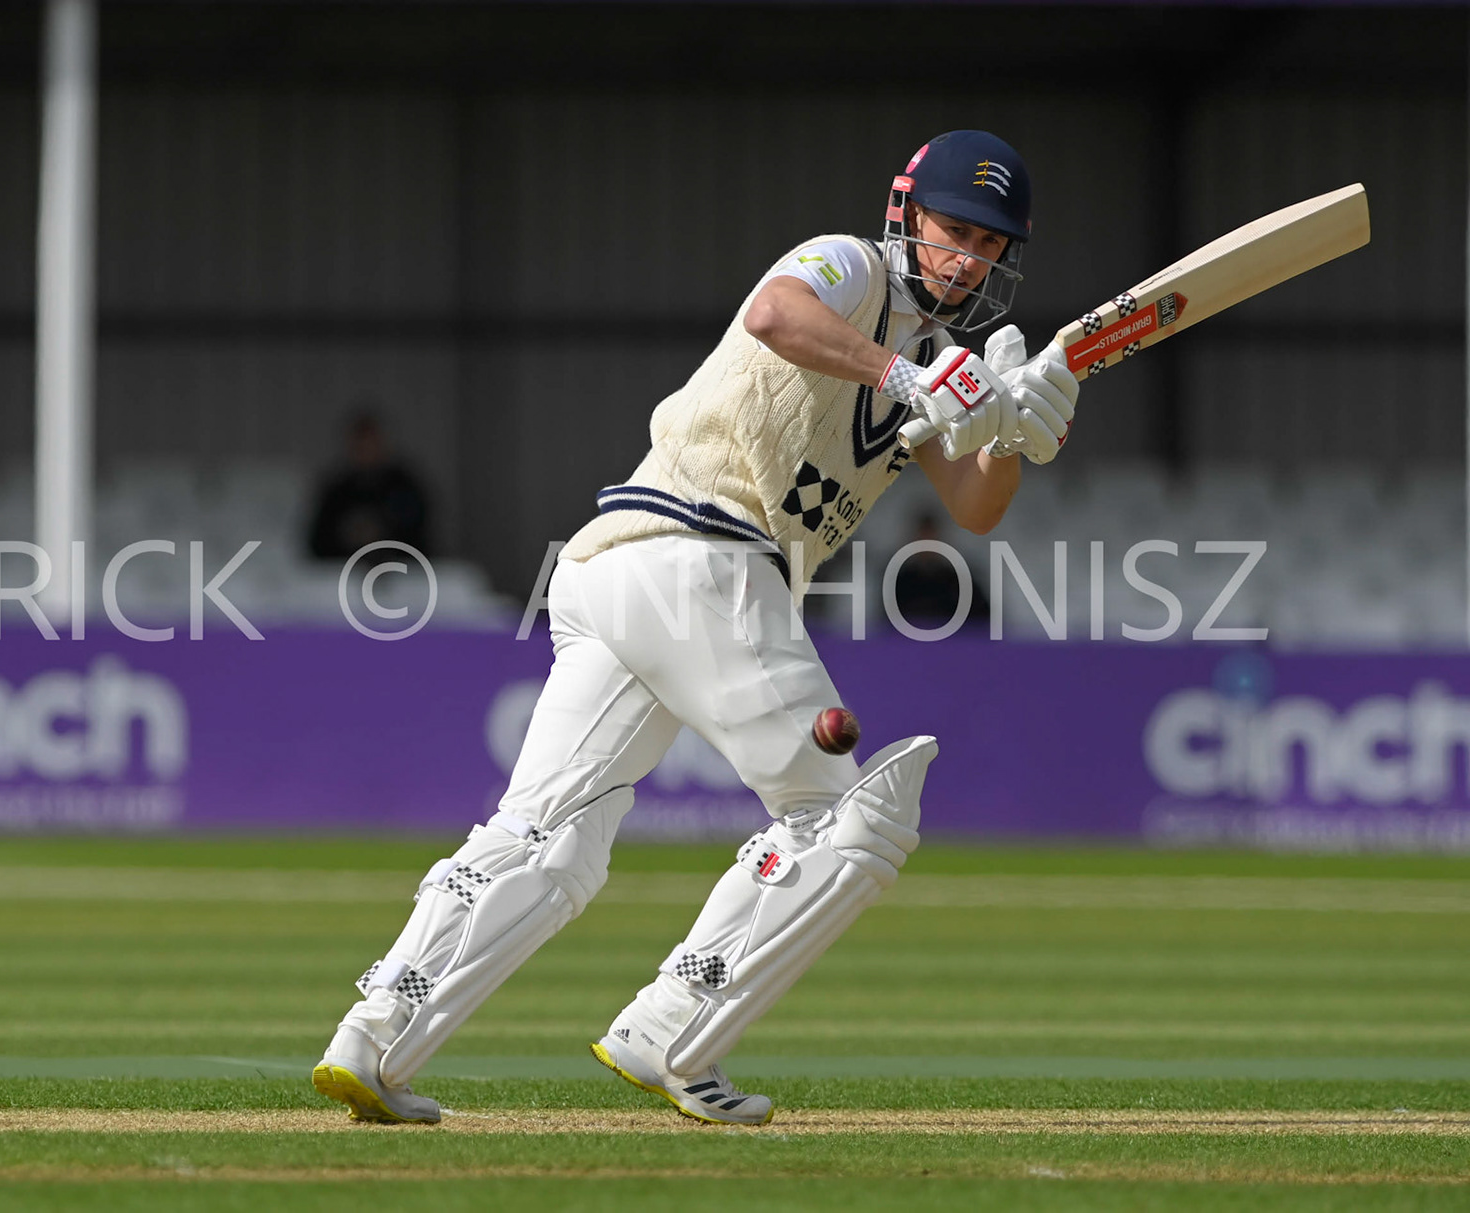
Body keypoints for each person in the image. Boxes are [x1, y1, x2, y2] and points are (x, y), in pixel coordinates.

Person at [312, 131, 1078, 1125]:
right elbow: (775, 313)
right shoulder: (848, 269)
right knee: (848, 821)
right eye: (953, 229)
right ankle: (674, 1032)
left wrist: (1019, 430)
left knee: (550, 841)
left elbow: (976, 507)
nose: (967, 257)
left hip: (628, 577)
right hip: (696, 555)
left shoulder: (940, 365)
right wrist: (909, 378)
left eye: (989, 242)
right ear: (907, 215)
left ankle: (372, 1041)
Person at [306, 411, 432, 560]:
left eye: (371, 443)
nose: (366, 451)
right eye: (360, 445)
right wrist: (348, 534)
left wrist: (382, 531)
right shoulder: (337, 491)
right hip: (341, 574)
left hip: (401, 573)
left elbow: (421, 536)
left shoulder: (405, 486)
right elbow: (317, 544)